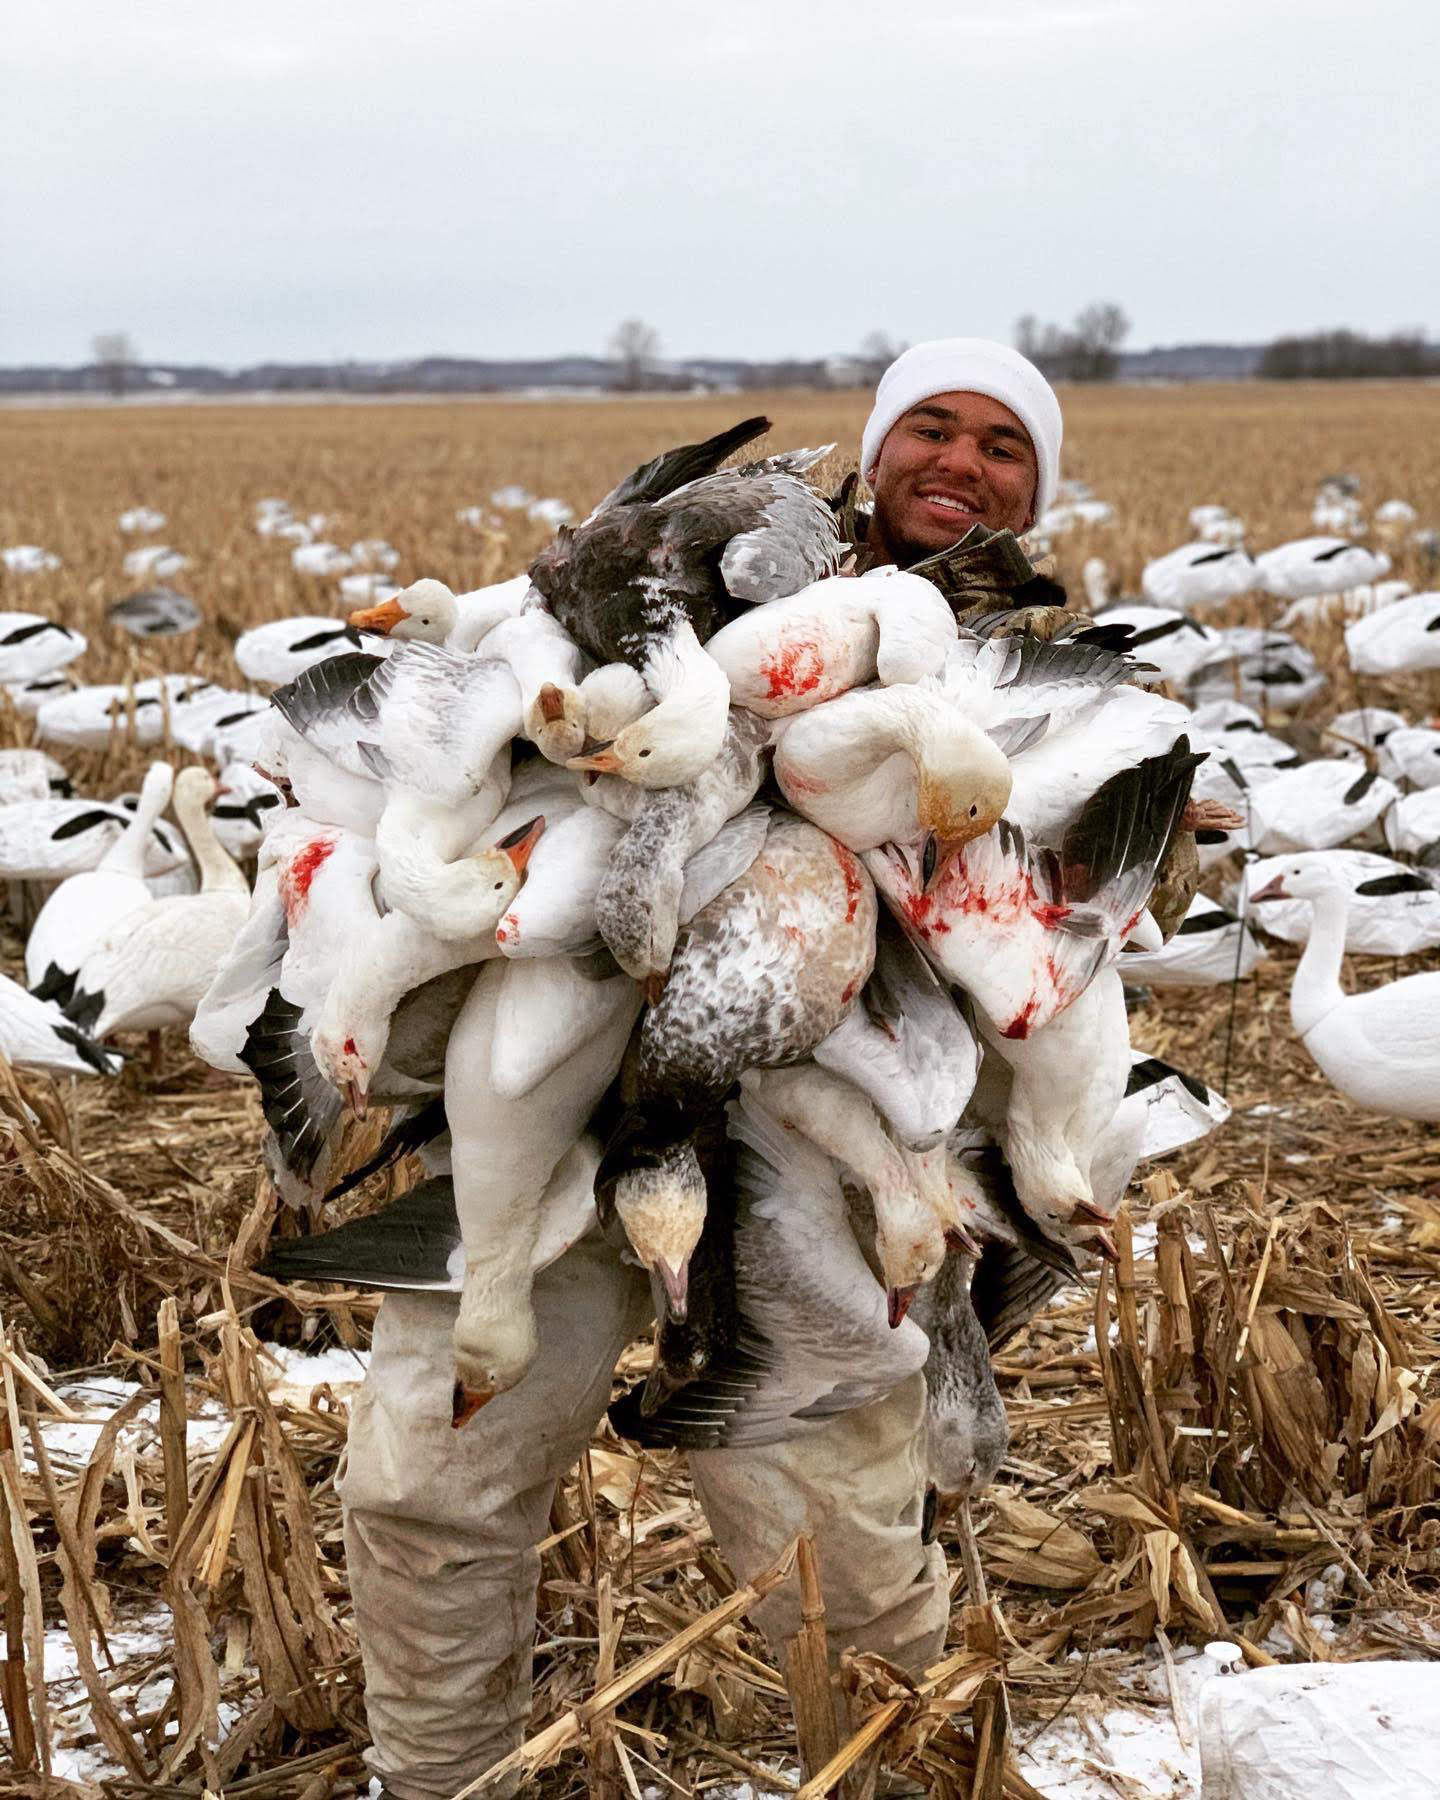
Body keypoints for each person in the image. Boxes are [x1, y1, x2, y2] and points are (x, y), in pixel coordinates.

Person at [335, 341, 1073, 1800]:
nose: (960, 463)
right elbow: (498, 734)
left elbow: (1050, 959)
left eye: (1004, 445)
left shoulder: (1031, 682)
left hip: (817, 1155)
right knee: (429, 1491)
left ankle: (905, 1777)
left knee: (843, 1556)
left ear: (1041, 490)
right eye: (931, 426)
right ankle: (438, 1781)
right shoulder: (712, 567)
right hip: (557, 1106)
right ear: (874, 451)